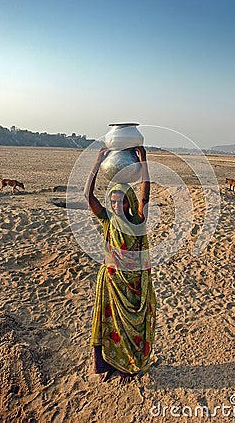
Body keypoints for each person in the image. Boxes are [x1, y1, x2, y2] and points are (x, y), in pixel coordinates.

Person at [84, 146, 156, 384]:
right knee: (110, 326)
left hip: (132, 284)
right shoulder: (107, 220)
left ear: (129, 203)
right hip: (111, 283)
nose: (116, 206)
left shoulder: (137, 222)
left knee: (131, 329)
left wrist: (143, 161)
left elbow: (145, 196)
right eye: (113, 202)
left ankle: (129, 368)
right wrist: (97, 162)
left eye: (121, 202)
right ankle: (111, 365)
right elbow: (88, 196)